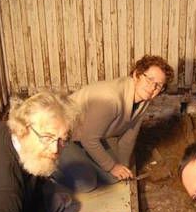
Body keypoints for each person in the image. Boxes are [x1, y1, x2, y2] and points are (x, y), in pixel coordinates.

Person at [53, 55, 174, 192]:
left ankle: (82, 158)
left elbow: (129, 136)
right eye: (150, 79)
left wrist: (122, 166)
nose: (152, 87)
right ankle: (48, 169)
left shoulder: (143, 99)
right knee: (86, 184)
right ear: (136, 75)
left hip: (84, 136)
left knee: (113, 177)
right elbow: (89, 138)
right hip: (60, 137)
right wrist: (112, 167)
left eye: (158, 85)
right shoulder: (111, 99)